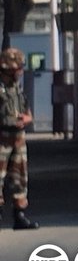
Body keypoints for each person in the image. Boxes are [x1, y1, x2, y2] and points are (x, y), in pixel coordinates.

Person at [0, 47, 39, 229]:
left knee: (20, 177)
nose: (21, 72)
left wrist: (27, 119)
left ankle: (19, 215)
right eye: (18, 68)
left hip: (18, 138)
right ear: (8, 69)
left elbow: (27, 111)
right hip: (2, 138)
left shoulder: (17, 88)